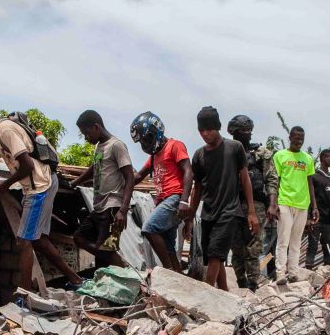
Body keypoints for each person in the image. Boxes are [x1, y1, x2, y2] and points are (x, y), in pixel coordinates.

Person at [0, 102, 83, 301]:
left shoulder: (6, 129)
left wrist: (5, 184)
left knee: (24, 241)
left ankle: (24, 296)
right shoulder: (3, 130)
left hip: (38, 188)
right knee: (39, 240)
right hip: (43, 183)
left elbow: (25, 164)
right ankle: (75, 279)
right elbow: (15, 150)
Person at [186, 106, 260, 290]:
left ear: (217, 127)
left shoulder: (234, 148)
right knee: (215, 256)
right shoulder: (199, 155)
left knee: (214, 254)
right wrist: (190, 217)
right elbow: (198, 188)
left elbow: (245, 179)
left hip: (229, 211)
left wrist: (251, 211)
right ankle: (224, 291)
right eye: (201, 130)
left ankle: (208, 292)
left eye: (209, 129)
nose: (205, 134)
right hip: (208, 213)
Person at [70, 110, 134, 268]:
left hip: (112, 207)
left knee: (102, 255)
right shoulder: (99, 147)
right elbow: (94, 168)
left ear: (96, 127)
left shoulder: (117, 145)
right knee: (79, 237)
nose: (86, 138)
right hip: (98, 207)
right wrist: (74, 182)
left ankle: (117, 264)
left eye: (87, 133)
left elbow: (130, 177)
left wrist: (123, 210)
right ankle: (112, 258)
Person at [131, 111, 192, 271]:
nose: (144, 145)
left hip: (175, 198)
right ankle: (178, 279)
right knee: (168, 245)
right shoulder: (153, 156)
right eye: (142, 142)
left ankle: (168, 272)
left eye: (146, 139)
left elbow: (188, 171)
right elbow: (138, 176)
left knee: (148, 228)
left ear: (156, 131)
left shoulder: (175, 146)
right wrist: (121, 180)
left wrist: (184, 201)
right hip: (162, 201)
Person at [226, 115, 278, 290]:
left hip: (256, 205)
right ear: (233, 132)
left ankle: (253, 284)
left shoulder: (261, 153)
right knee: (237, 246)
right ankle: (241, 283)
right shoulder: (227, 152)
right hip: (233, 205)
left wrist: (272, 204)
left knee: (254, 246)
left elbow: (271, 179)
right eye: (243, 130)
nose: (247, 134)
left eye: (249, 130)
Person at [272, 126, 318, 284]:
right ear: (289, 137)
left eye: (302, 139)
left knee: (296, 241)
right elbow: (275, 180)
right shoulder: (280, 156)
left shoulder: (308, 159)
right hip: (284, 201)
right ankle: (280, 273)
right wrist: (274, 202)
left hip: (302, 204)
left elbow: (310, 183)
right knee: (283, 239)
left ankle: (293, 272)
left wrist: (314, 206)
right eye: (296, 138)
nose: (299, 141)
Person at [307, 148, 330, 268]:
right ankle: (308, 269)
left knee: (328, 244)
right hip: (316, 218)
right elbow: (309, 198)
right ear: (322, 159)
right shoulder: (314, 177)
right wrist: (309, 217)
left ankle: (328, 269)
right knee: (313, 244)